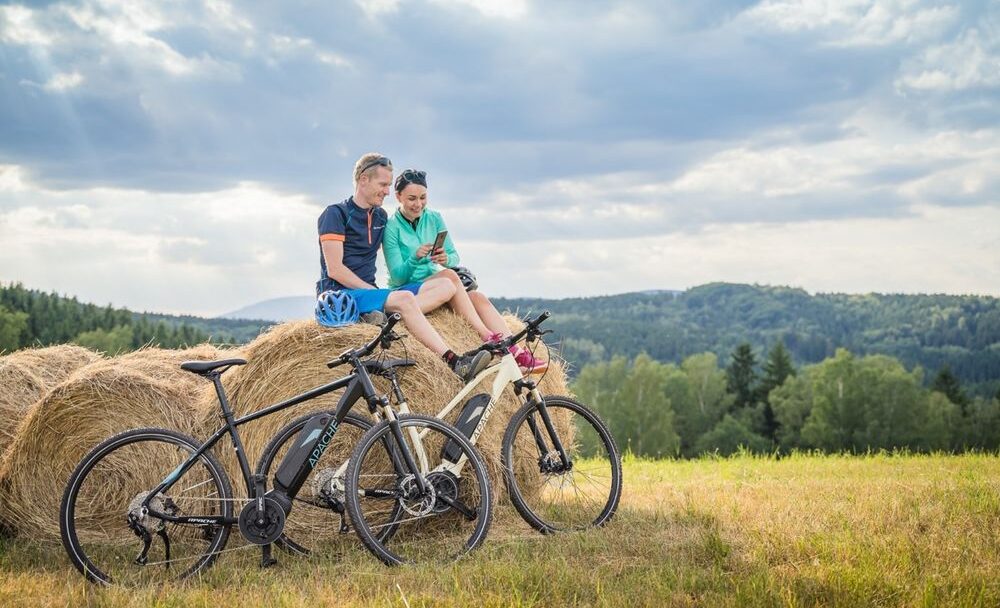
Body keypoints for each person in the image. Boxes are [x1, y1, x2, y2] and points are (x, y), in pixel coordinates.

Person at [316, 153, 490, 382]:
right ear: (363, 179)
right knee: (405, 299)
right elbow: (335, 269)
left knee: (447, 284)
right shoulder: (335, 214)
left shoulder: (379, 216)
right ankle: (454, 361)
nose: (387, 191)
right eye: (383, 184)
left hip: (371, 293)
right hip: (341, 297)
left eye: (389, 185)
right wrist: (374, 291)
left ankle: (387, 316)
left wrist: (429, 257)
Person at [382, 168, 547, 373]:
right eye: (412, 198)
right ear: (398, 197)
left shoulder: (434, 218)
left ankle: (515, 350)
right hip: (409, 289)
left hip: (439, 282)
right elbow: (397, 276)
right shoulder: (391, 228)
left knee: (478, 298)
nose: (418, 204)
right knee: (451, 276)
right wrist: (415, 258)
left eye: (423, 197)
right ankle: (488, 336)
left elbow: (453, 256)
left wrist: (445, 258)